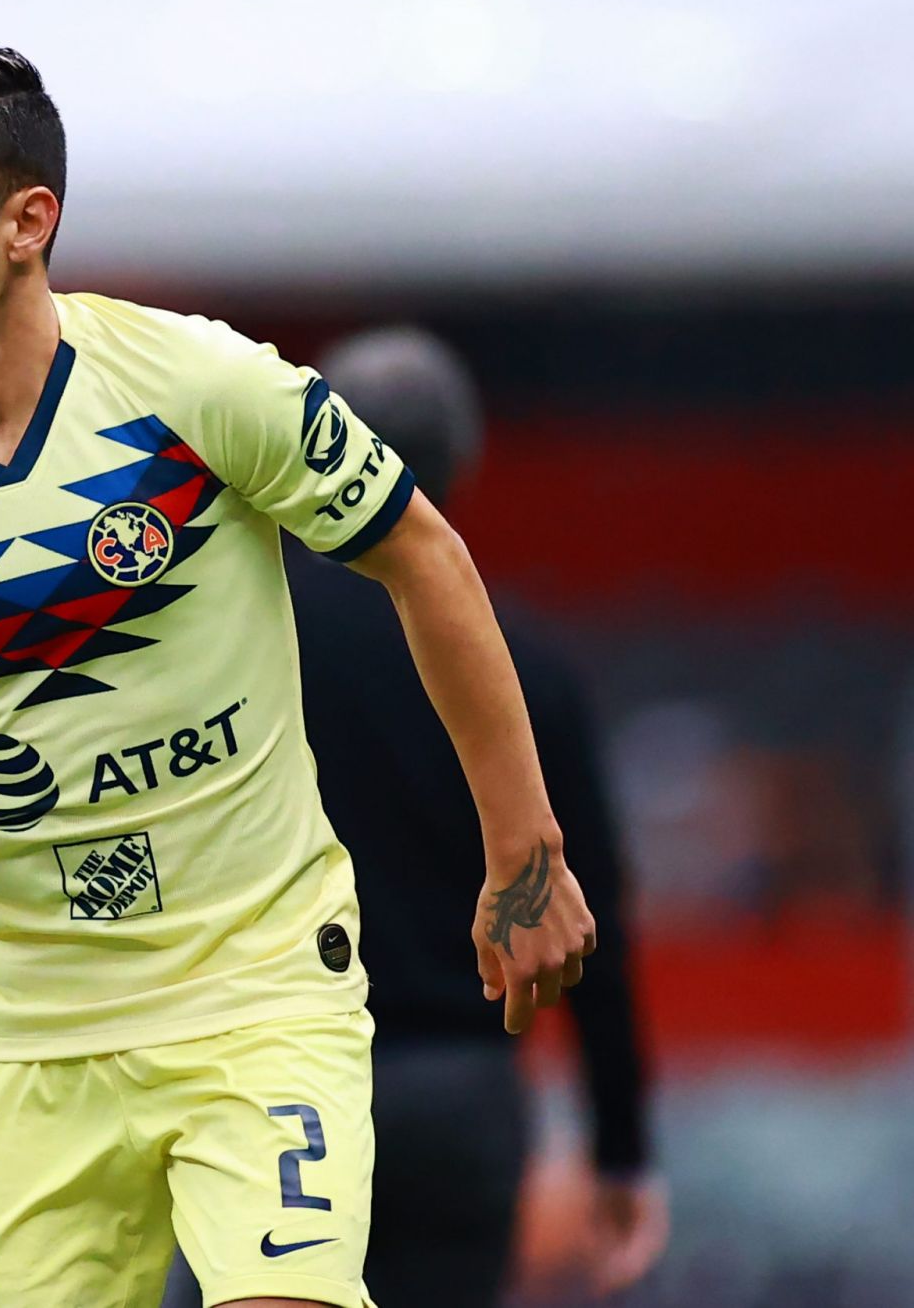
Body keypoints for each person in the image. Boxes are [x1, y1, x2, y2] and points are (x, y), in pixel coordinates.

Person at [0, 37, 596, 1308]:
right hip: (25, 1032)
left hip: (255, 989)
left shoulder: (196, 384)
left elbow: (424, 556)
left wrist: (523, 854)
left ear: (25, 223)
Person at [287, 328, 667, 1305]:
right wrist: (619, 1149)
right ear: (463, 465)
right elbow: (591, 920)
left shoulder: (249, 646)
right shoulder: (527, 665)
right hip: (459, 1095)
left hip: (281, 1080)